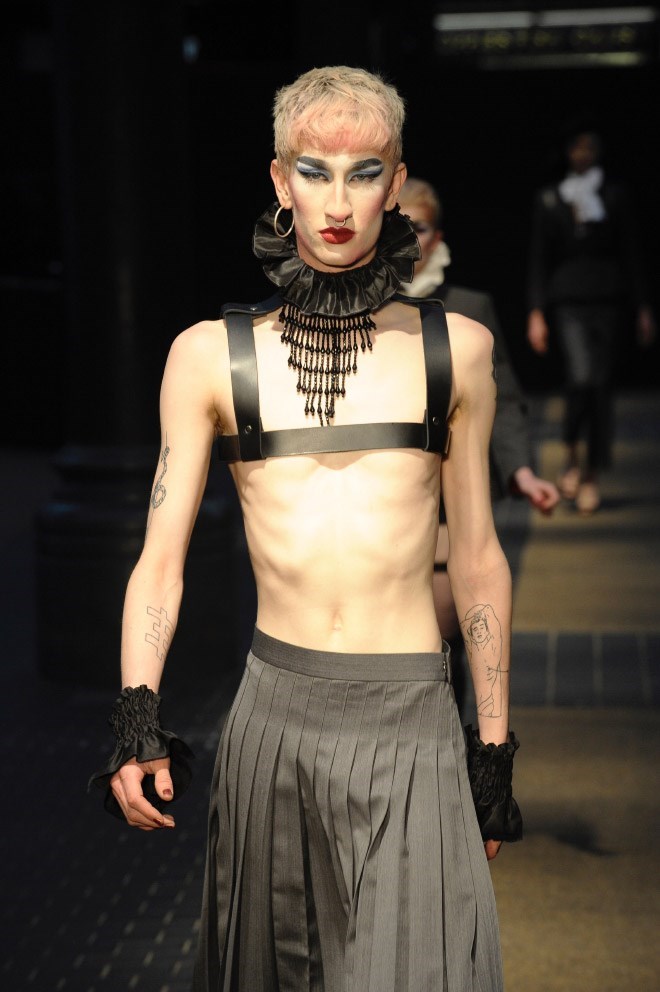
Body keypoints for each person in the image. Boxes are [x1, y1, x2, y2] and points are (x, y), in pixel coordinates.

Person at [89, 66, 523, 991]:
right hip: (274, 720)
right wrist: (137, 718)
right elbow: (159, 562)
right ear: (280, 182)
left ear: (394, 185)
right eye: (314, 171)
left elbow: (478, 558)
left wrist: (491, 751)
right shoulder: (209, 357)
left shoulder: (457, 352)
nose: (338, 201)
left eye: (363, 173)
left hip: (412, 716)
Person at [398, 175, 559, 717]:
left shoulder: (470, 306)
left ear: (438, 238)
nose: (408, 237)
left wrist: (520, 471)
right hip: (380, 497)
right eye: (396, 225)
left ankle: (455, 755)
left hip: (451, 497)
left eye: (419, 227)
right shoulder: (355, 309)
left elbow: (504, 396)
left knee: (442, 650)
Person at [526, 127, 656, 514]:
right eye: (577, 147)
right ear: (567, 151)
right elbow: (538, 257)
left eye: (590, 147)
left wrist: (643, 306)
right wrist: (536, 311)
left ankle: (592, 476)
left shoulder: (613, 195)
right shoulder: (550, 197)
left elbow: (632, 251)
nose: (583, 154)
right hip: (568, 301)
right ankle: (570, 456)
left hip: (609, 300)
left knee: (601, 387)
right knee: (581, 378)